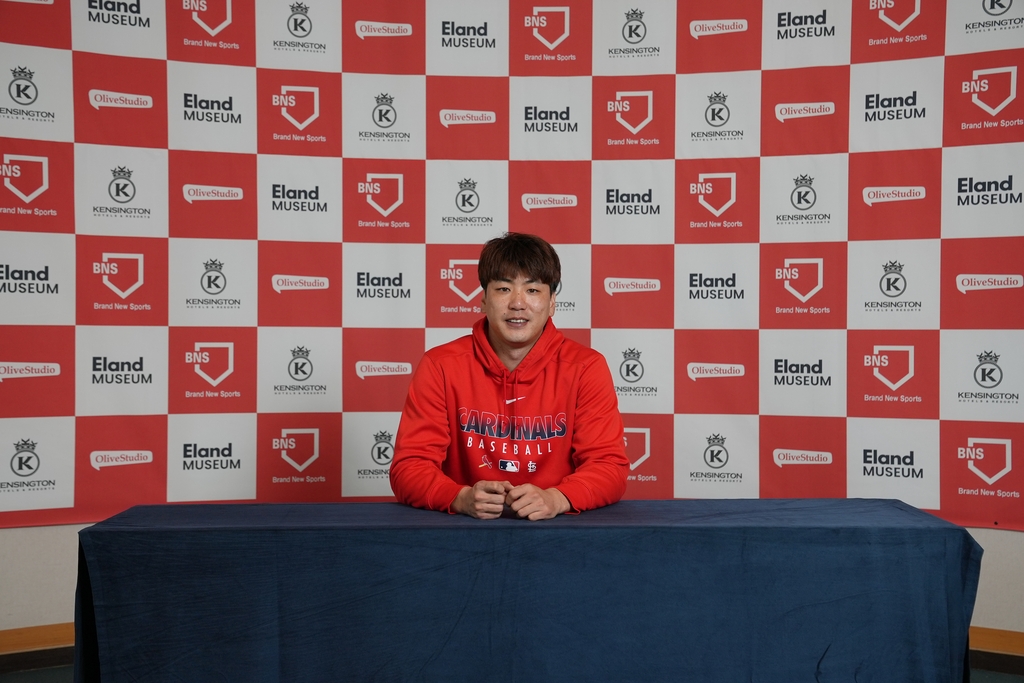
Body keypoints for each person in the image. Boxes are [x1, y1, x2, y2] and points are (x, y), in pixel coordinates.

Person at [390, 233, 629, 520]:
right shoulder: (440, 366)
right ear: (483, 299)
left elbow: (608, 466)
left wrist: (556, 498)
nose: (517, 303)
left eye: (533, 290)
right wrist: (459, 498)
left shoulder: (586, 368)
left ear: (552, 302)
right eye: (503, 289)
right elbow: (410, 467)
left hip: (556, 530)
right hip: (465, 531)